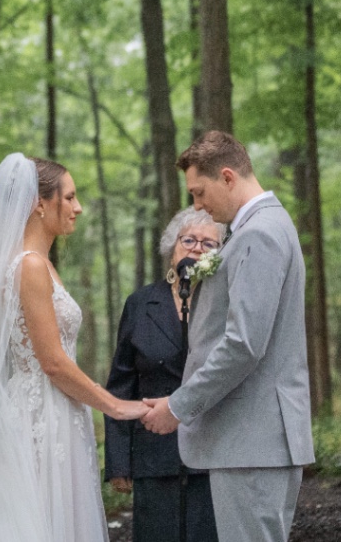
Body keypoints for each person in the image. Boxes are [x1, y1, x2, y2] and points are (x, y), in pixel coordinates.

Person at [0, 152, 147, 542]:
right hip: (38, 417)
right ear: (39, 203)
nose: (79, 207)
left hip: (56, 411)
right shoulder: (30, 266)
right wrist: (113, 405)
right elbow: (53, 363)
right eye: (70, 197)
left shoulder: (38, 262)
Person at [140, 131, 314, 542]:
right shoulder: (267, 224)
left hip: (253, 439)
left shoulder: (258, 234)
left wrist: (179, 406)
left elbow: (243, 344)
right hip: (258, 439)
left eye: (200, 192)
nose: (197, 205)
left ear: (229, 177)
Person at [105, 207, 224, 542]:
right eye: (189, 240)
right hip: (154, 452)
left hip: (212, 451)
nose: (197, 248)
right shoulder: (140, 304)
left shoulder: (225, 303)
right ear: (173, 247)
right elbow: (121, 384)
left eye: (209, 244)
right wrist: (119, 462)